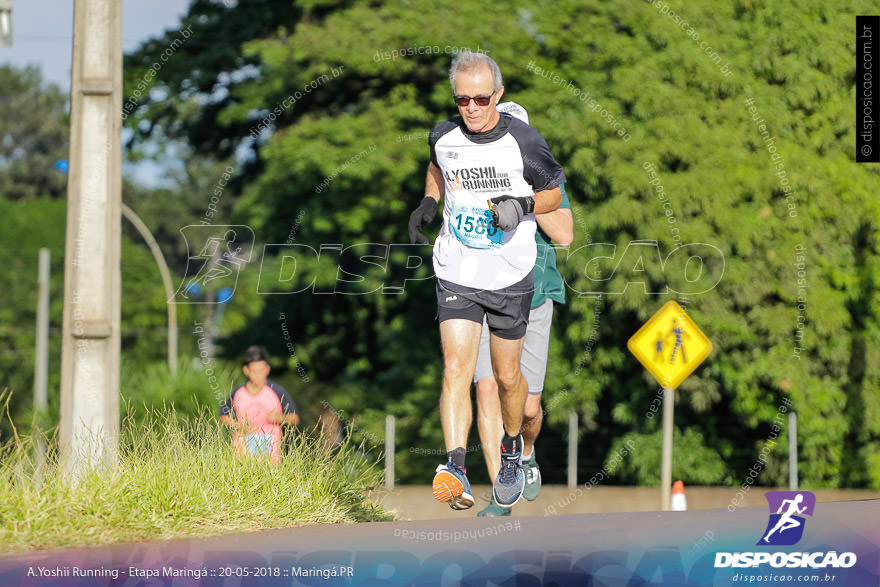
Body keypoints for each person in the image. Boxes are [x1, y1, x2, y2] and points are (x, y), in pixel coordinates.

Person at [408, 51, 566, 510]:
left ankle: (512, 448)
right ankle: (455, 465)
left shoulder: (524, 140)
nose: (472, 108)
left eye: (480, 98)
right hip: (456, 266)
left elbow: (554, 190)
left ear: (497, 94)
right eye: (462, 100)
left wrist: (524, 207)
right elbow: (437, 166)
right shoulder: (443, 134)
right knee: (458, 368)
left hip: (510, 272)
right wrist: (429, 201)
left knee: (506, 376)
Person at [474, 102, 574, 516]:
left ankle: (526, 452)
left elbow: (566, 235)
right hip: (481, 292)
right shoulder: (474, 177)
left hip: (534, 295)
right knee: (486, 389)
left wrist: (526, 201)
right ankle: (503, 494)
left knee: (528, 407)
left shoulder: (546, 180)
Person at [220, 346, 299, 464]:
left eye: (261, 370)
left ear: (267, 369)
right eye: (254, 371)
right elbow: (223, 417)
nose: (258, 375)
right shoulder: (237, 392)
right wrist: (239, 426)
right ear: (246, 370)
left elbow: (295, 418)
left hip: (271, 457)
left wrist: (279, 418)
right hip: (241, 456)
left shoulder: (277, 391)